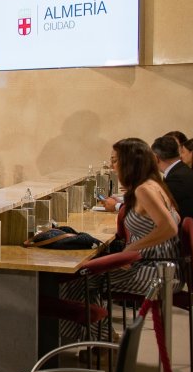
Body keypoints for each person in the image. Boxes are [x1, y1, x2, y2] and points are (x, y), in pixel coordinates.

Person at [65, 138, 182, 342]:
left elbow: (170, 227)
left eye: (115, 160)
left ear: (129, 162)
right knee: (87, 276)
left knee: (79, 280)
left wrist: (131, 249)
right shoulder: (154, 184)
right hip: (161, 265)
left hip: (158, 271)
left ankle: (101, 342)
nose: (112, 165)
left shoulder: (144, 190)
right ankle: (103, 338)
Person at [151, 135, 193, 244]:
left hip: (181, 240)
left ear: (156, 158)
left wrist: (117, 206)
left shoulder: (177, 177)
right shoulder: (181, 170)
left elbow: (154, 206)